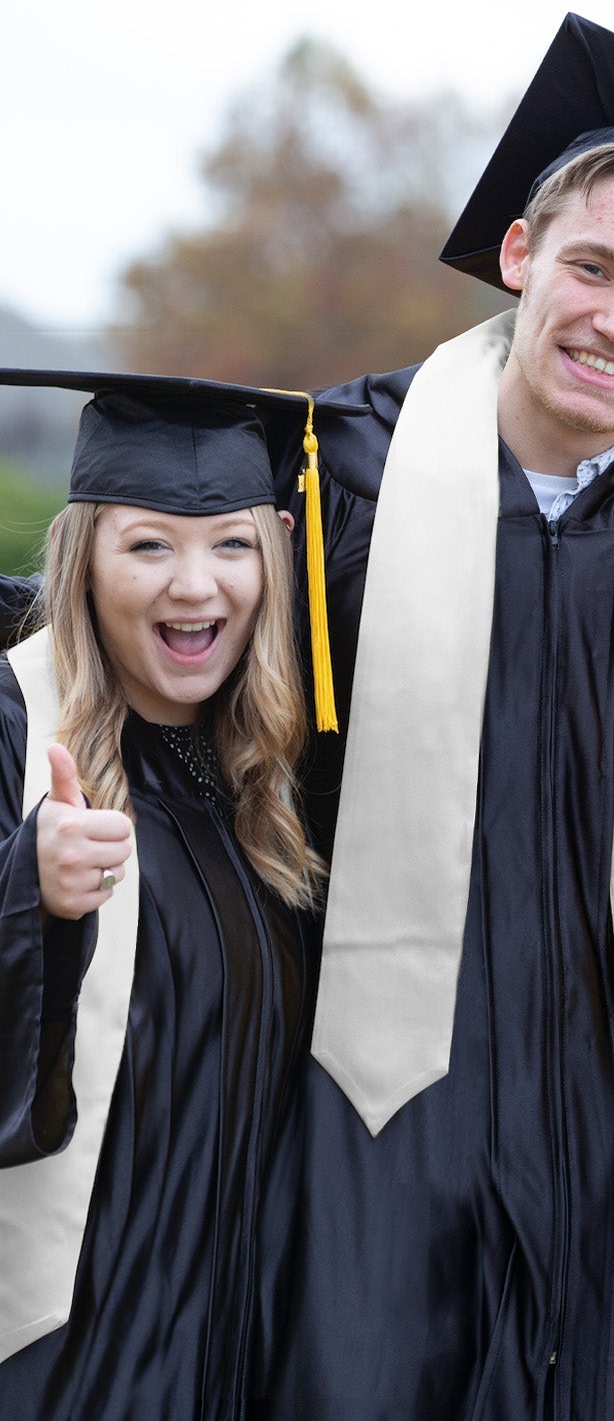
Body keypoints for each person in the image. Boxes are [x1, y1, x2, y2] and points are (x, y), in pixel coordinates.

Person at [252, 16, 614, 1420]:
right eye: (593, 267)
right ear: (520, 256)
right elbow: (154, 637)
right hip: (375, 1096)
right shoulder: (344, 468)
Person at [0, 372, 339, 1419]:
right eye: (150, 545)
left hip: (228, 1337)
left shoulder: (263, 780)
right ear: (84, 559)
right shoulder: (15, 725)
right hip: (65, 1347)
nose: (197, 587)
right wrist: (30, 892)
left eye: (232, 545)